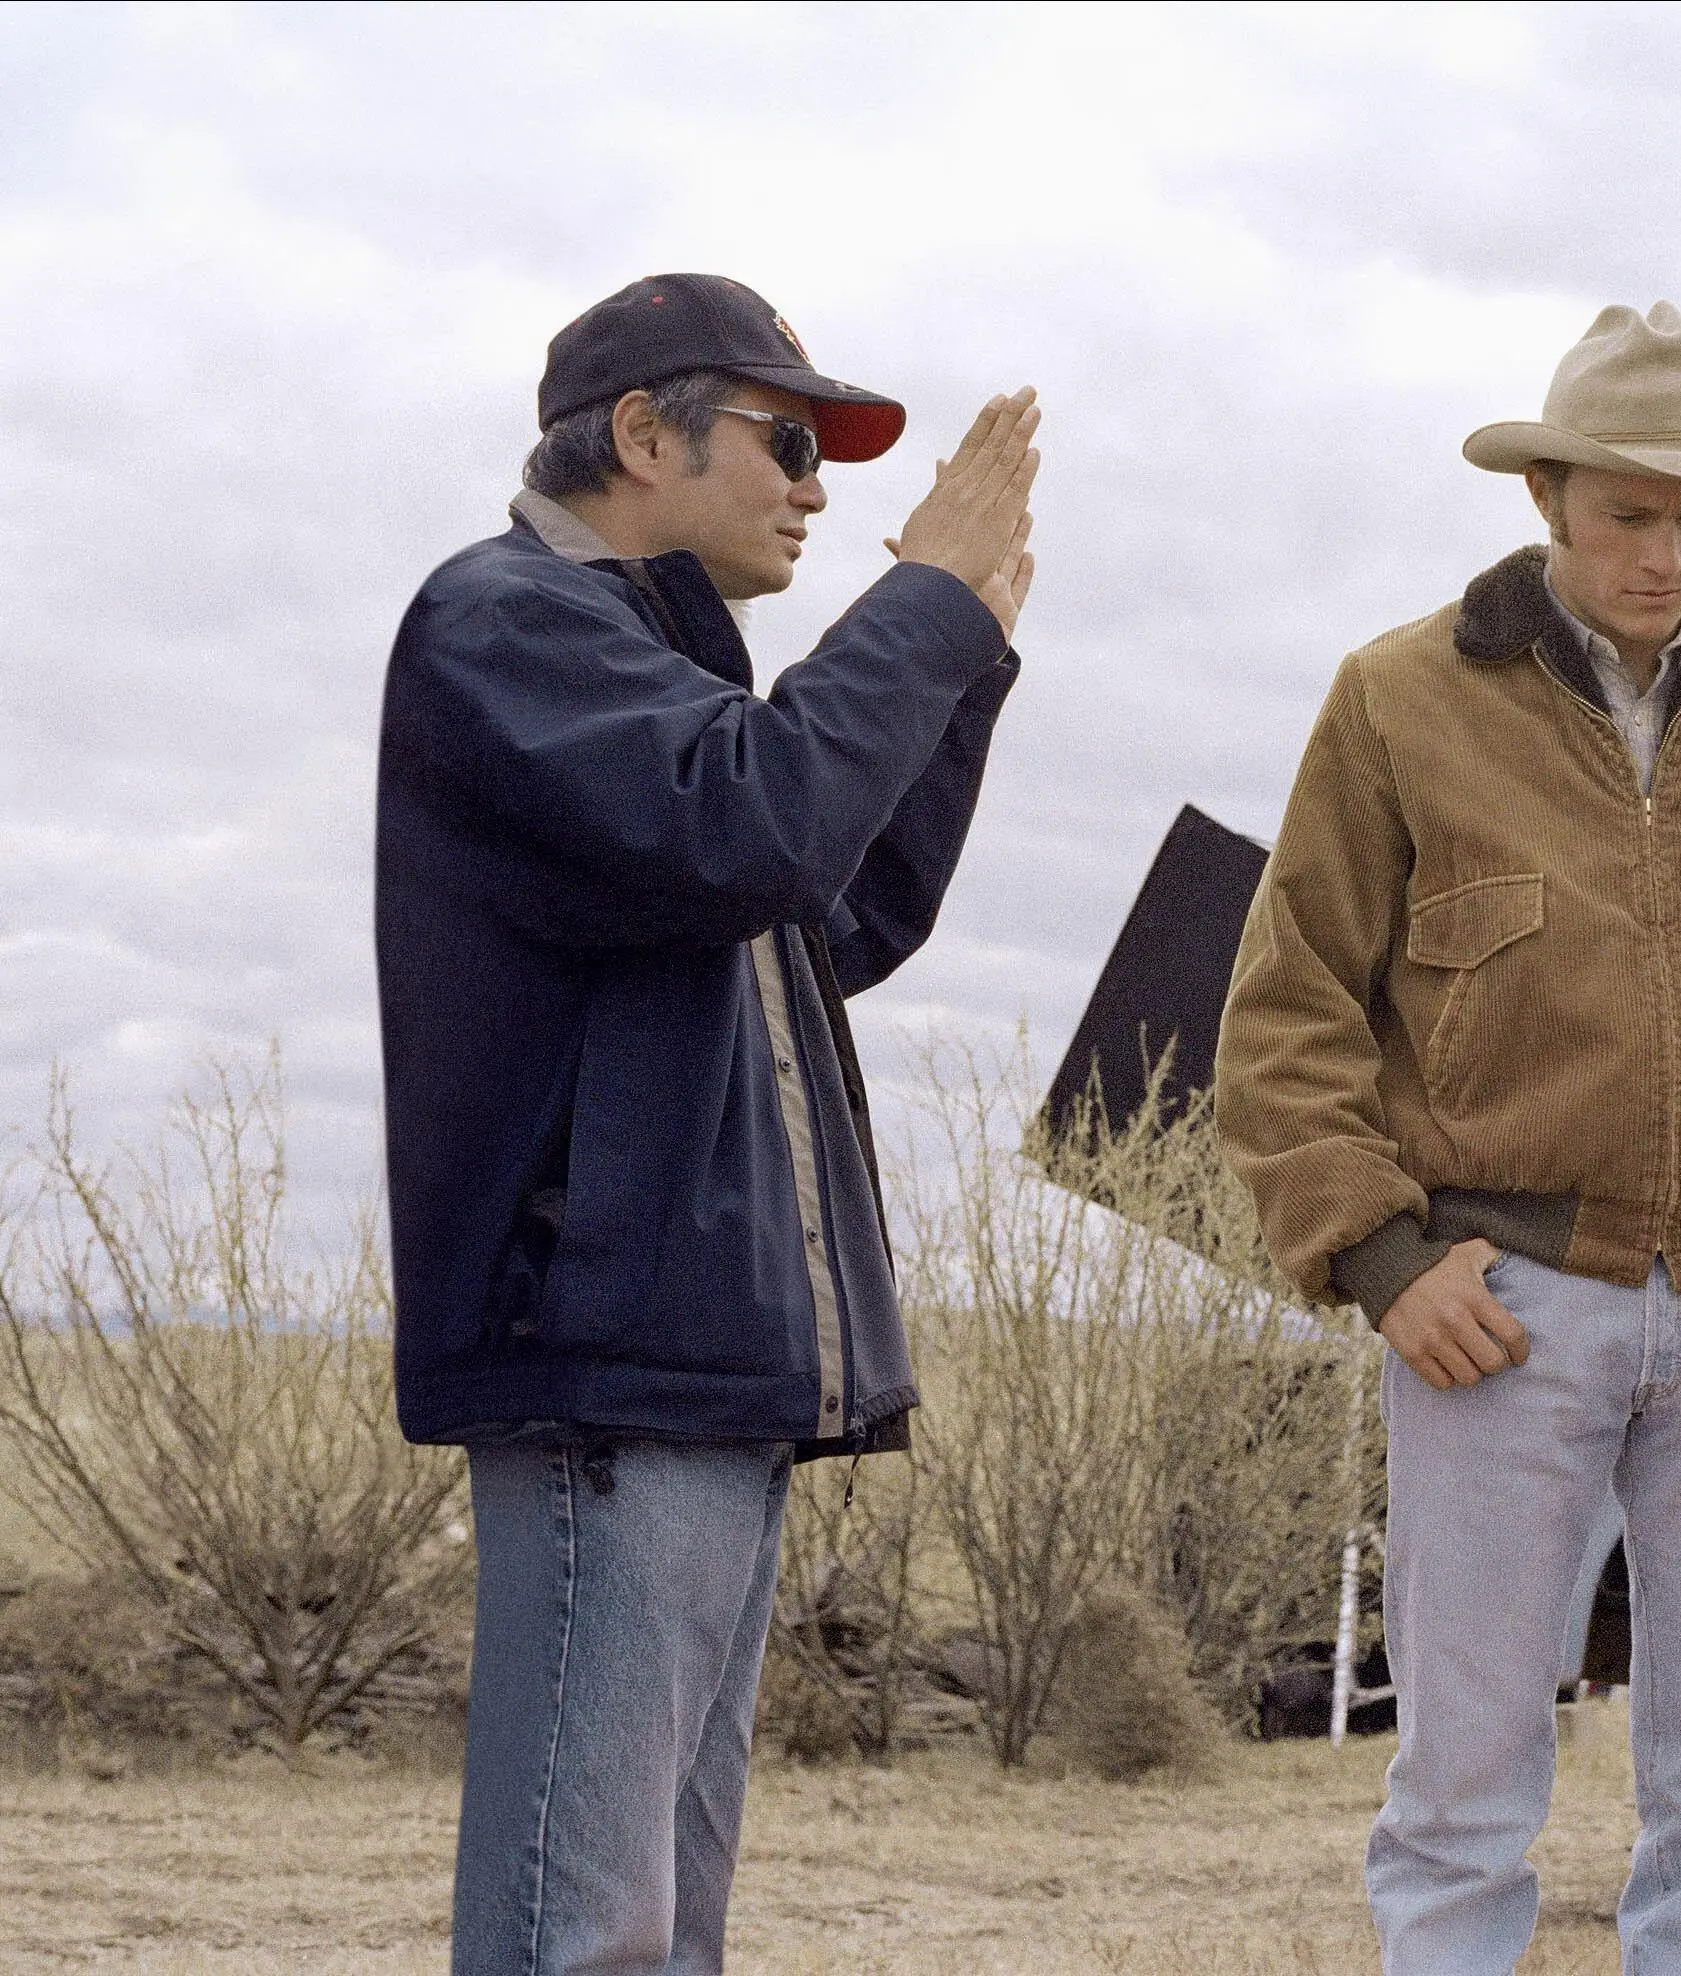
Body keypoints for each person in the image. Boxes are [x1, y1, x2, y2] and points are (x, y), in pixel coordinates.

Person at [1216, 301, 1681, 1974]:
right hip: (1493, 1313)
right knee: (1464, 1783)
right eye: (1631, 513)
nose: (1669, 550)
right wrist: (1381, 1257)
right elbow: (1284, 1021)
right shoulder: (1397, 701)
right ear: (1549, 495)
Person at [377, 272, 1040, 1974]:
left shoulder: (667, 690)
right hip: (611, 1363)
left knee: (663, 1932)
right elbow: (746, 828)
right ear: (642, 434)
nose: (820, 486)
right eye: (791, 439)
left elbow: (842, 904)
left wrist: (959, 657)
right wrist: (927, 608)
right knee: (579, 1929)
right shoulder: (503, 622)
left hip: (701, 1373)